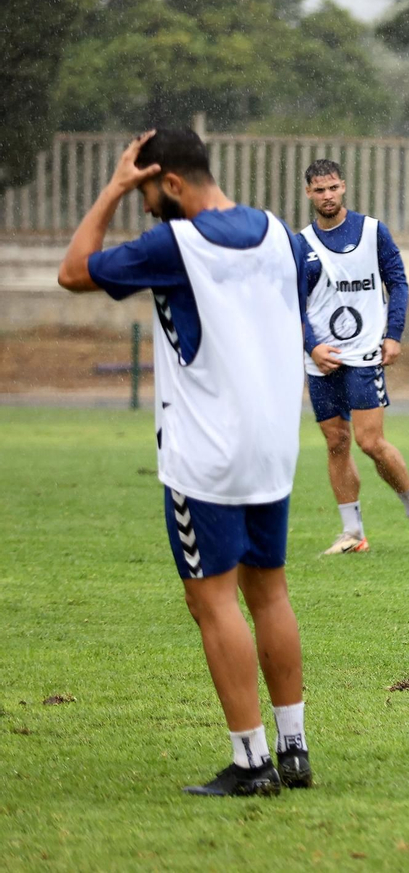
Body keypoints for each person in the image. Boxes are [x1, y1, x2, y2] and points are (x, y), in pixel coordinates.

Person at [57, 129, 315, 794]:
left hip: (206, 451)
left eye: (145, 191)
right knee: (271, 591)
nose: (143, 204)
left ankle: (251, 762)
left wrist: (110, 188)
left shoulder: (176, 243)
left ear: (171, 182)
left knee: (212, 600)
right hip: (272, 444)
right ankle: (294, 750)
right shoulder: (280, 235)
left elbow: (74, 270)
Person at [299, 159, 409, 556]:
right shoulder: (301, 244)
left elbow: (398, 281)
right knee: (335, 441)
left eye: (333, 188)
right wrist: (311, 346)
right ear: (308, 193)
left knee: (370, 441)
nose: (327, 196)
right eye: (319, 190)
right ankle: (352, 533)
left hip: (365, 352)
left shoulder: (372, 231)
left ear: (343, 187)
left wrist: (393, 334)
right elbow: (291, 303)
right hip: (322, 358)